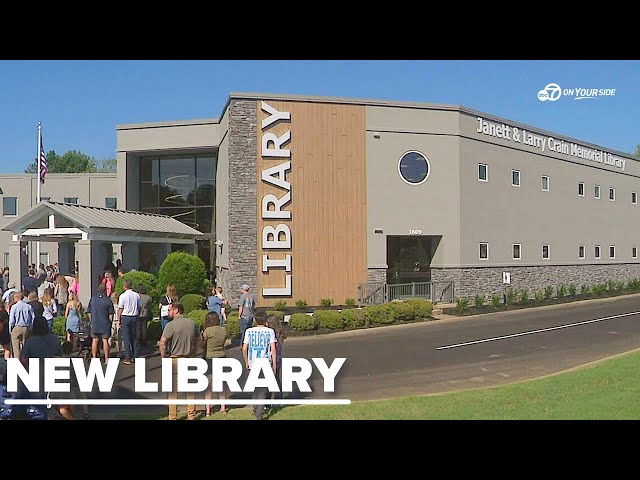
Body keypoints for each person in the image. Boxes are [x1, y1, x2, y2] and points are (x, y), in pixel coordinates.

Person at [159, 302, 201, 420]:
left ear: (176, 310)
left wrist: (163, 357)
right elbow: (199, 339)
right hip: (188, 358)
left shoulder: (171, 325)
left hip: (175, 358)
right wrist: (194, 352)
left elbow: (163, 342)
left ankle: (172, 416)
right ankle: (191, 415)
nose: (168, 312)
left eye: (170, 310)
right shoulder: (192, 323)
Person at [19, 316, 62, 403]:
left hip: (36, 373)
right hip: (53, 373)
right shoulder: (55, 339)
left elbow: (23, 359)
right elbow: (60, 355)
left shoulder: (31, 341)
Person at [242, 313, 277, 420]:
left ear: (255, 320)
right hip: (265, 361)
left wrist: (246, 361)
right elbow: (273, 349)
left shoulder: (249, 331)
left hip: (253, 362)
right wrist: (274, 364)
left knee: (255, 388)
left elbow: (244, 348)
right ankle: (259, 413)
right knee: (263, 389)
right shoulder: (270, 331)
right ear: (265, 320)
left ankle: (256, 408)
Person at [202, 312, 229, 416]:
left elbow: (202, 344)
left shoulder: (207, 331)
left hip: (209, 357)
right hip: (221, 356)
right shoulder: (223, 330)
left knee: (209, 385)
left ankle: (208, 410)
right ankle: (223, 408)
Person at [87, 283, 114, 363]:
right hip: (105, 323)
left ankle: (94, 358)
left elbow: (89, 312)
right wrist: (110, 323)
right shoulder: (108, 300)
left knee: (95, 340)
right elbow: (111, 314)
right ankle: (106, 358)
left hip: (95, 323)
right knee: (105, 340)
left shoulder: (93, 299)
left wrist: (91, 320)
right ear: (105, 290)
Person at [117, 279, 141, 365]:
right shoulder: (136, 295)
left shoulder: (122, 296)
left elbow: (120, 309)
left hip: (126, 317)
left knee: (126, 337)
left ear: (125, 286)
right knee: (134, 336)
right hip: (134, 316)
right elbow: (139, 307)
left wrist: (119, 320)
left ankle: (128, 357)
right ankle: (135, 355)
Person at [9, 291, 35, 359]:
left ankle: (17, 364)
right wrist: (30, 327)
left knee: (16, 348)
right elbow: (32, 318)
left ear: (16, 298)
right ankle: (26, 362)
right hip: (26, 327)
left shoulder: (14, 307)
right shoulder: (28, 306)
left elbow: (11, 320)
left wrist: (10, 329)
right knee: (26, 347)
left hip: (17, 327)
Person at [265, 314, 286, 400]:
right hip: (278, 359)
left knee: (268, 380)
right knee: (277, 378)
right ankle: (279, 397)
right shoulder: (280, 334)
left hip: (271, 359)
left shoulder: (271, 335)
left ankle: (268, 399)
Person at [137, 284, 152, 351]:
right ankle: (144, 342)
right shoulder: (148, 297)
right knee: (144, 328)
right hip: (145, 314)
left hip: (138, 314)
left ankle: (139, 342)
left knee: (138, 328)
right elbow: (149, 306)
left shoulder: (137, 296)